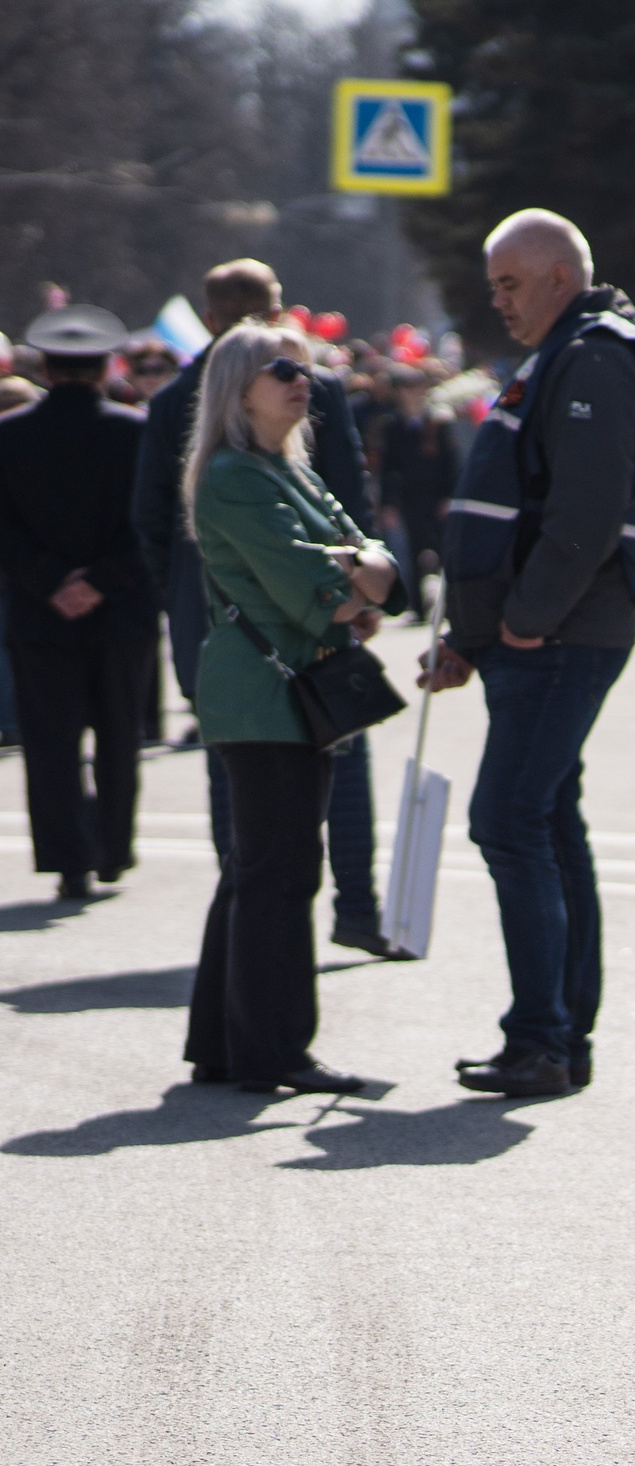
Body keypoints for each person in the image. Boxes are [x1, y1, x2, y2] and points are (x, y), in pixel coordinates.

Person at [422, 209, 635, 1097]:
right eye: (494, 284)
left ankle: (544, 1038)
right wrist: (474, 637)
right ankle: (558, 1035)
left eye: (510, 283)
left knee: (510, 820)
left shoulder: (592, 353)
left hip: (561, 633)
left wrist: (523, 618)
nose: (498, 300)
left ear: (559, 275)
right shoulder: (573, 350)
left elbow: (586, 514)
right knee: (548, 823)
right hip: (546, 632)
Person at [132, 257, 392, 956]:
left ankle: (251, 910)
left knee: (237, 778)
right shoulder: (308, 395)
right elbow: (356, 514)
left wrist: (187, 598)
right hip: (278, 617)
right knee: (331, 759)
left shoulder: (174, 400)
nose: (294, 381)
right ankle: (347, 910)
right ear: (275, 312)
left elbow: (151, 525)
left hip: (216, 616)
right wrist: (357, 588)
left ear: (207, 317)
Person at [181, 322, 400, 1095]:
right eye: (283, 368)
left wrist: (359, 577)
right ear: (239, 386)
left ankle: (221, 1041)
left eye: (309, 368)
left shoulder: (289, 471)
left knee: (255, 868)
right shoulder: (238, 477)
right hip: (265, 694)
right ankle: (274, 1053)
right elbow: (318, 590)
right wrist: (353, 583)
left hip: (283, 690)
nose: (302, 380)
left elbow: (377, 563)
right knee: (282, 873)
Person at [0, 307, 152, 901]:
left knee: (51, 739)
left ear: (45, 366)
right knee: (119, 734)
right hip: (122, 610)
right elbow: (151, 523)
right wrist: (102, 581)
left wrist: (53, 581)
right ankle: (113, 848)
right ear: (104, 366)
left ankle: (69, 860)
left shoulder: (8, 434)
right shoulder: (136, 431)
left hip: (41, 611)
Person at [370, 365, 460, 605]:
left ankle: (452, 603)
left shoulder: (437, 422)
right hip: (409, 498)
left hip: (437, 495)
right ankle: (418, 606)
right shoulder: (392, 427)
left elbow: (450, 462)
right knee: (413, 550)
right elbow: (388, 468)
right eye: (407, 388)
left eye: (417, 387)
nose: (412, 393)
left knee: (445, 549)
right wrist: (388, 503)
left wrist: (451, 496)